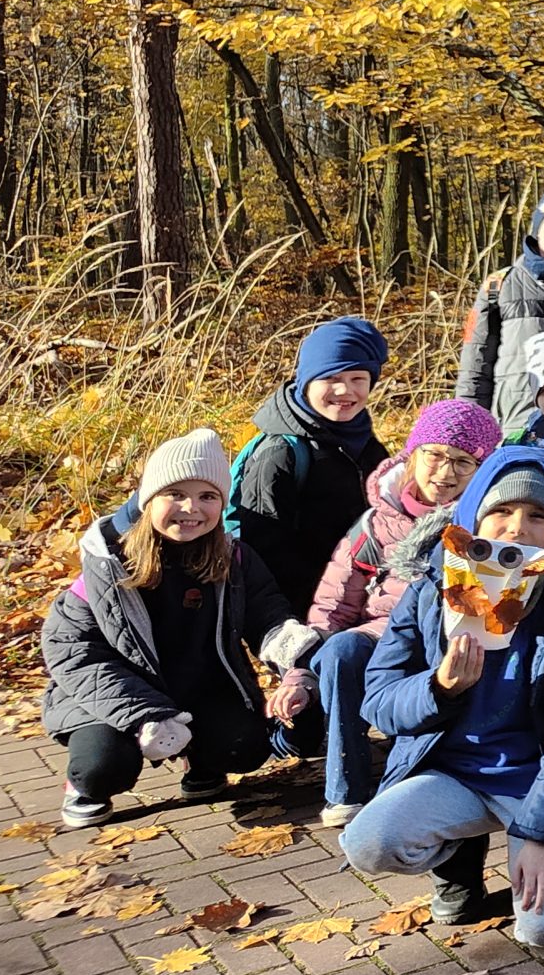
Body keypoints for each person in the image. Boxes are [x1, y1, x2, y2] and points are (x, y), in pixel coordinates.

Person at [343, 448, 544, 943]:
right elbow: (377, 699)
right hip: (452, 775)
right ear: (474, 516)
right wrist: (438, 688)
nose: (518, 528)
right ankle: (457, 861)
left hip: (535, 783)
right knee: (368, 842)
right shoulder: (431, 589)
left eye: (537, 516)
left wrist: (543, 834)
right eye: (501, 510)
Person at [45, 429, 322, 828]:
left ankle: (203, 760)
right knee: (102, 768)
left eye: (208, 496)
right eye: (175, 494)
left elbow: (270, 618)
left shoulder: (234, 556)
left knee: (244, 747)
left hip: (197, 690)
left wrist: (296, 665)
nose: (191, 508)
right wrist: (145, 715)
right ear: (149, 499)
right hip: (114, 696)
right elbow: (72, 652)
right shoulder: (106, 563)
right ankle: (84, 785)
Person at [307, 399, 502, 826]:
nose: (445, 472)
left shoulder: (487, 524)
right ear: (413, 454)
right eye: (435, 455)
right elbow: (334, 603)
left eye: (464, 462)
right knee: (339, 652)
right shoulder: (375, 524)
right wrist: (300, 669)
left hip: (447, 638)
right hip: (380, 637)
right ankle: (346, 790)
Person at [229, 315, 392, 607]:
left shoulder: (367, 444)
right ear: (305, 382)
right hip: (304, 610)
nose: (345, 390)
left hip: (357, 603)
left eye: (357, 379)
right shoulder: (280, 453)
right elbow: (263, 554)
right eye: (331, 378)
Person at [459, 186, 544, 423]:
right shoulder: (499, 284)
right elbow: (475, 363)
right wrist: (468, 424)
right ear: (538, 226)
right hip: (514, 423)